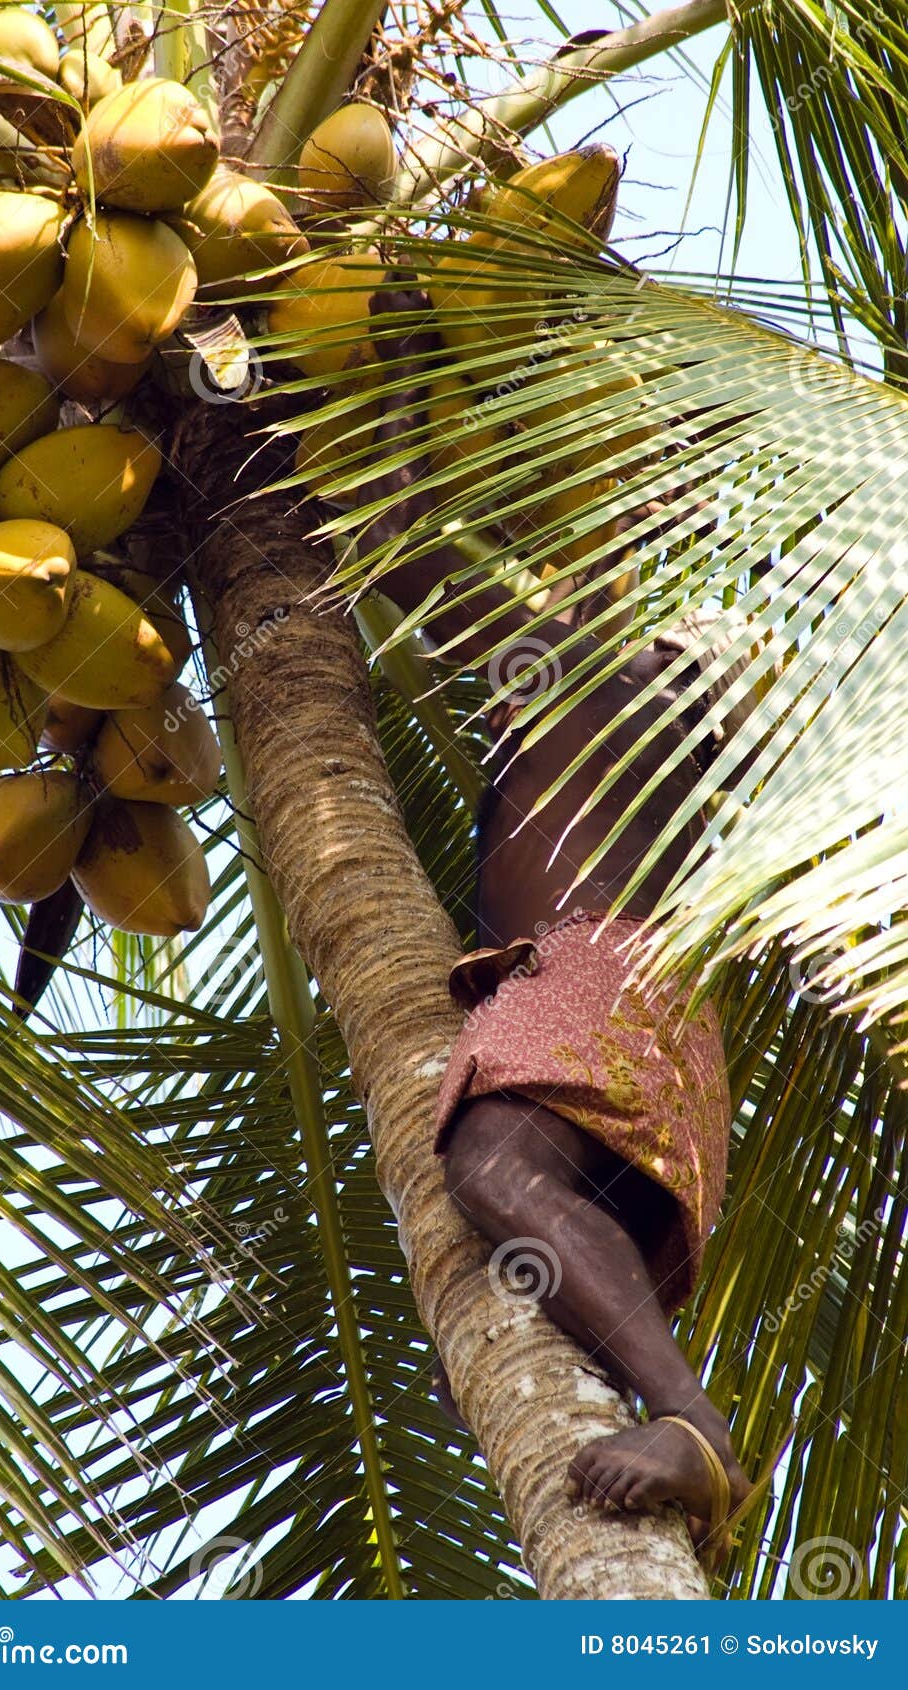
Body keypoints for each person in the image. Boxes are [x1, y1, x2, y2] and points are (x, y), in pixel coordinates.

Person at [357, 294, 767, 1564]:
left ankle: (695, 1422)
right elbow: (403, 546)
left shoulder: (625, 668)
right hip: (615, 1014)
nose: (591, 555)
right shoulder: (593, 682)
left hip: (599, 978)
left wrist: (398, 371)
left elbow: (396, 537)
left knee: (492, 1170)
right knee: (513, 1239)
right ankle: (662, 1399)